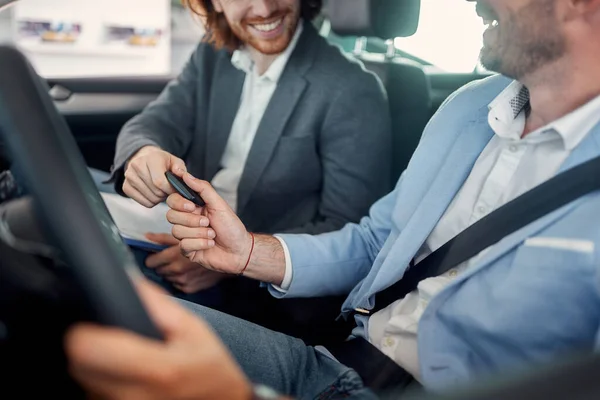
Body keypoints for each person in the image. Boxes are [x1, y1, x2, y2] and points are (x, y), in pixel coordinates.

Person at [66, 0, 600, 398]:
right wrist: (248, 252)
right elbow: (375, 240)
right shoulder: (469, 110)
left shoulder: (349, 87)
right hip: (339, 360)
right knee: (97, 312)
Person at [105, 0, 391, 325]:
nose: (264, 8)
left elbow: (351, 232)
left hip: (257, 289)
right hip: (178, 235)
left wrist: (231, 258)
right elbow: (154, 123)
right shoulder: (213, 53)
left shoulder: (351, 88)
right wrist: (142, 153)